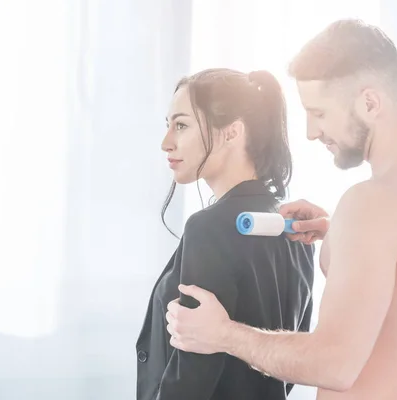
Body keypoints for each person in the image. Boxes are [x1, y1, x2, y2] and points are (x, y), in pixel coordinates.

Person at [165, 19, 397, 399]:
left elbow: (333, 364)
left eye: (320, 113)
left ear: (370, 102)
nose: (310, 131)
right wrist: (339, 230)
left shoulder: (371, 204)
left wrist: (223, 333)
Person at [135, 68, 316, 400]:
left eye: (182, 125)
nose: (166, 142)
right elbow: (286, 366)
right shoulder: (297, 230)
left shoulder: (209, 229)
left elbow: (188, 380)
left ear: (232, 132)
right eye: (168, 125)